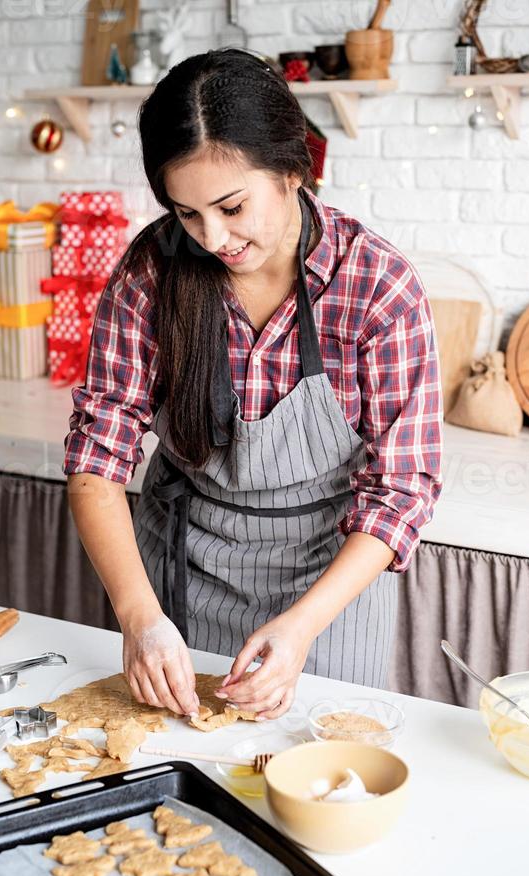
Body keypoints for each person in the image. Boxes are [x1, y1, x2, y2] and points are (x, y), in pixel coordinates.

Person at [64, 48, 443, 722]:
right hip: (180, 577)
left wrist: (301, 627)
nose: (214, 238)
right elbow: (97, 456)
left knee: (319, 778)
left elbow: (402, 491)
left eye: (232, 207)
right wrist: (138, 617)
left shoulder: (376, 287)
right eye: (186, 214)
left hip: (329, 590)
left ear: (295, 171)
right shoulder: (150, 273)